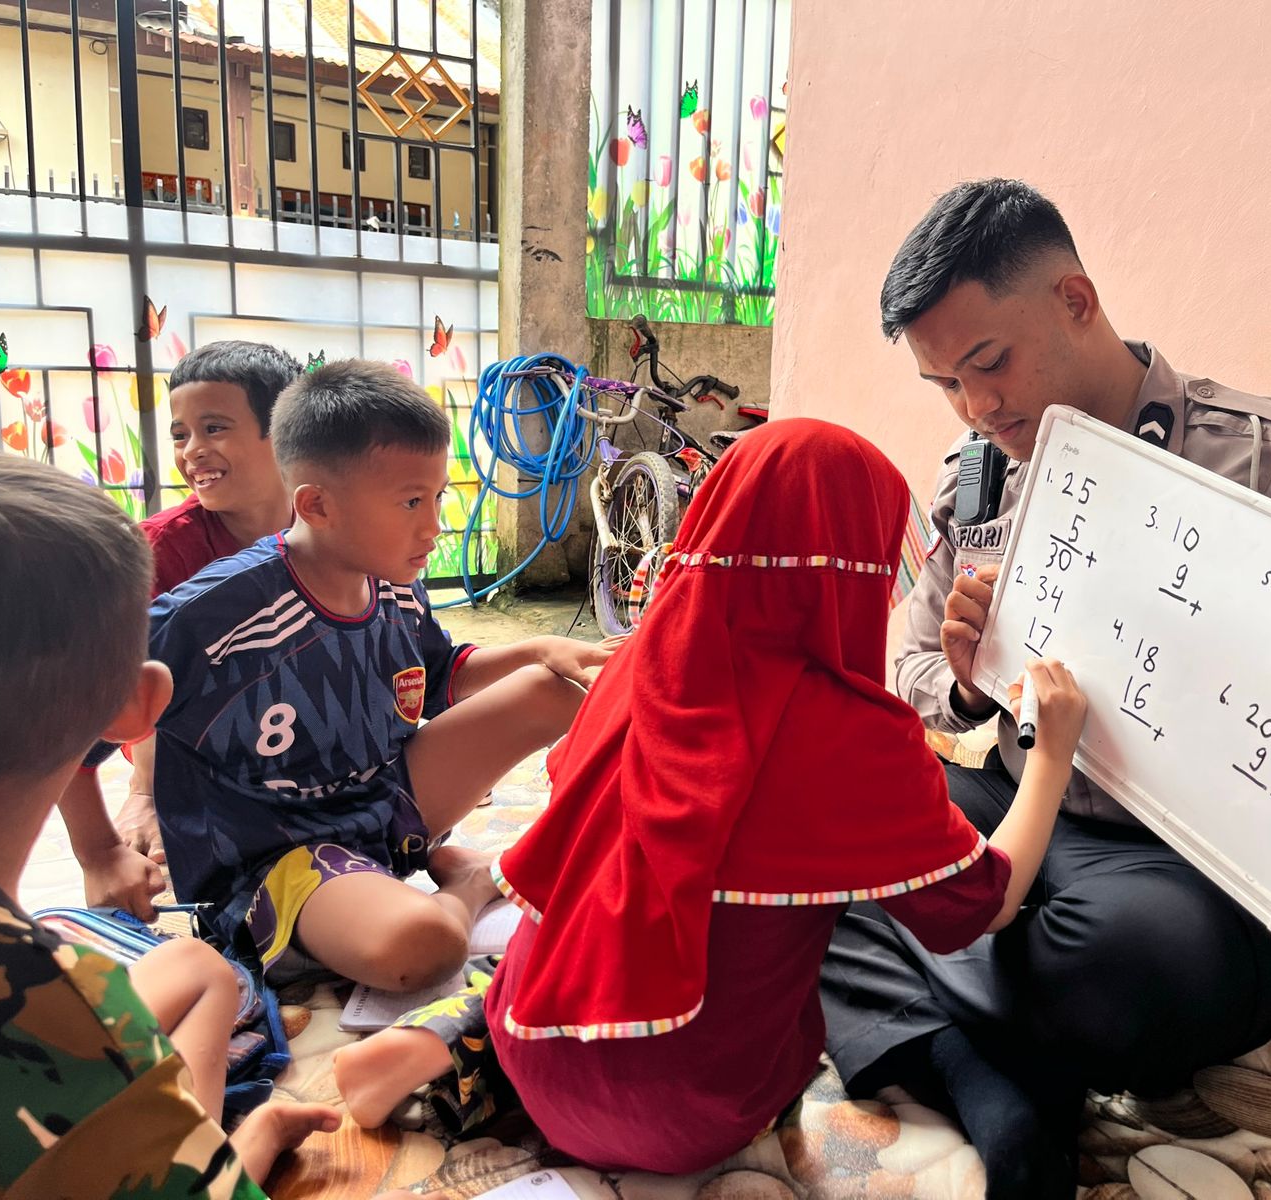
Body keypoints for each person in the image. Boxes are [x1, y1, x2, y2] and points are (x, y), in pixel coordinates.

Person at [818, 179, 1271, 1198]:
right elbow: (908, 668)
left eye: (988, 362)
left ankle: (941, 1018)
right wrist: (963, 680)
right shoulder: (978, 471)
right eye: (943, 383)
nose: (976, 406)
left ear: (1075, 300)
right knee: (815, 816)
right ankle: (995, 1079)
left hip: (1192, 883)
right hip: (1024, 808)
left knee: (1128, 972)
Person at [331, 419, 1089, 1175]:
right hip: (696, 1114)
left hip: (533, 1038)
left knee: (580, 930)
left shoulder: (632, 668)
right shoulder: (852, 733)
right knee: (828, 932)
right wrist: (1049, 754)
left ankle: (448, 1038)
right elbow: (985, 904)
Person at [88, 359, 611, 993]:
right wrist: (100, 852)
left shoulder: (392, 583)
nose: (433, 524)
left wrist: (539, 649)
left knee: (565, 689)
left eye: (438, 497)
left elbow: (441, 675)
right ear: (317, 505)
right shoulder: (212, 613)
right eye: (412, 501)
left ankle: (597, 857)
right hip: (277, 859)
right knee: (422, 946)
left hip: (385, 807)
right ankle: (472, 885)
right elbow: (63, 718)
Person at [0, 455, 429, 1198]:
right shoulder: (57, 1022)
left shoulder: (388, 597)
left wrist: (99, 849)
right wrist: (250, 1148)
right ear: (139, 706)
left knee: (198, 969)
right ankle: (215, 1144)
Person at [60, 340, 302, 919]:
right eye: (179, 434)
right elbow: (92, 700)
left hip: (296, 738)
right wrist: (127, 817)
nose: (192, 450)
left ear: (284, 433)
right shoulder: (156, 551)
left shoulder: (331, 527)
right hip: (186, 745)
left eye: (213, 428)